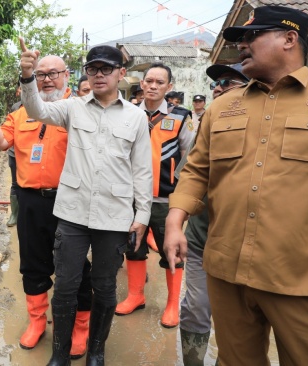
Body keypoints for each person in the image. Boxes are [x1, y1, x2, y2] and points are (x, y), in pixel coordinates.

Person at [165, 5, 308, 365]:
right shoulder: (223, 108)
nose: (241, 46)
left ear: (289, 39)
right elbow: (197, 172)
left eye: (251, 37)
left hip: (298, 277)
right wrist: (174, 222)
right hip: (226, 270)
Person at [12, 39, 152, 365]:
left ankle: (96, 351)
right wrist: (28, 76)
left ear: (120, 73)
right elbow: (37, 110)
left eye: (106, 68)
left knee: (104, 288)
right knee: (65, 286)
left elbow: (142, 170)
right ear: (86, 73)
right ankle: (60, 353)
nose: (99, 74)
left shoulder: (135, 117)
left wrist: (142, 215)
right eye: (93, 68)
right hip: (72, 212)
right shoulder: (73, 107)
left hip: (114, 215)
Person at [0, 53, 94, 359]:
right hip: (30, 200)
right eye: (40, 74)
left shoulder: (81, 111)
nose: (47, 79)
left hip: (71, 200)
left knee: (75, 266)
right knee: (32, 263)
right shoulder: (19, 115)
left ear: (67, 75)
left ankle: (80, 327)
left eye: (53, 73)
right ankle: (37, 321)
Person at [177, 63, 248, 366]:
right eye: (215, 84)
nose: (217, 88)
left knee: (241, 320)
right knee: (196, 308)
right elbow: (190, 177)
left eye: (227, 83)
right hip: (201, 240)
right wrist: (175, 223)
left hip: (251, 247)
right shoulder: (208, 125)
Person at [116, 62, 195, 329]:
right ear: (142, 83)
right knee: (132, 247)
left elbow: (189, 158)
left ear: (169, 87)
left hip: (164, 198)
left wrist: (181, 195)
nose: (152, 86)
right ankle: (135, 295)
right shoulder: (126, 113)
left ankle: (172, 303)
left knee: (170, 249)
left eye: (159, 82)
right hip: (130, 198)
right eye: (149, 81)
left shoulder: (182, 116)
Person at [7, 86, 23, 227]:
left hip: (31, 154)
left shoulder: (43, 107)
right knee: (15, 183)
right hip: (14, 152)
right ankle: (15, 214)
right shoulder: (16, 107)